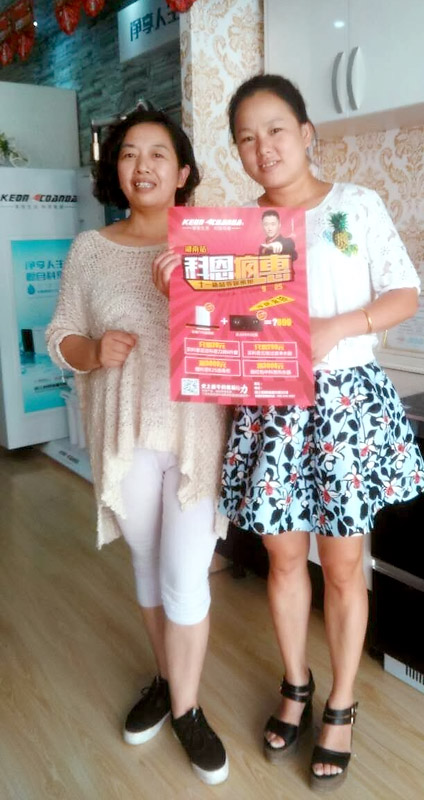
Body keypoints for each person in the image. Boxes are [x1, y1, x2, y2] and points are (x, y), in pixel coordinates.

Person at [218, 74, 424, 792]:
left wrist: (340, 324)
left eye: (275, 129)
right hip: (273, 407)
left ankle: (341, 701)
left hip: (344, 402)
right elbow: (228, 327)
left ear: (307, 133)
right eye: (246, 137)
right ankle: (296, 683)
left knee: (342, 566)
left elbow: (405, 293)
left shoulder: (356, 206)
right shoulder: (236, 231)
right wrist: (183, 290)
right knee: (283, 560)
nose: (262, 148)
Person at [46, 109, 229, 786]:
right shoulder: (90, 250)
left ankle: (187, 710)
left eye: (158, 154)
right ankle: (167, 679)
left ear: (183, 173)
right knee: (149, 566)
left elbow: (252, 329)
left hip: (197, 434)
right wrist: (93, 350)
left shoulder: (214, 243)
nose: (143, 165)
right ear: (115, 169)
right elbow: (60, 335)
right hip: (123, 435)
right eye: (129, 153)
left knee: (186, 575)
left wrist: (191, 289)